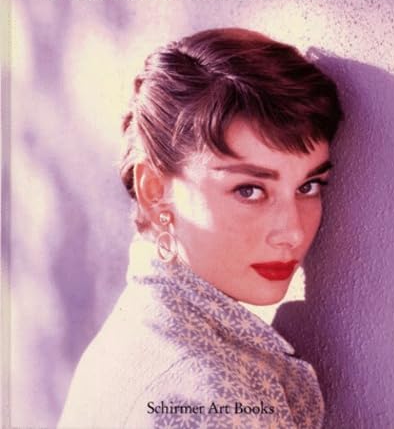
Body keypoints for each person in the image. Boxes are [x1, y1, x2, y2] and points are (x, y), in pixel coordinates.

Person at [58, 27, 343, 428]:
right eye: (249, 190)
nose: (292, 232)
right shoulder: (211, 400)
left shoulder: (135, 335)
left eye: (308, 186)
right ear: (155, 191)